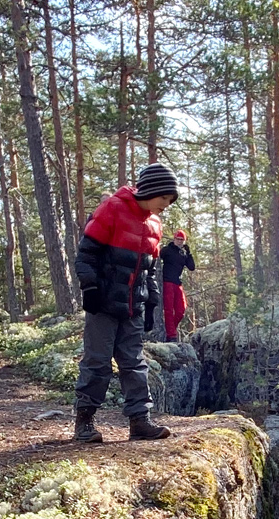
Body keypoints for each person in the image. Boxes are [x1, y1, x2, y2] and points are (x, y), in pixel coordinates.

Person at [72, 162, 178, 443]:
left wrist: (152, 302)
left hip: (133, 308)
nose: (166, 205)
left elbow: (149, 269)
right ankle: (85, 422)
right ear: (152, 190)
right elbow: (85, 255)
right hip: (103, 305)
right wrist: (90, 288)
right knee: (97, 362)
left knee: (134, 363)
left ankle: (139, 422)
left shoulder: (155, 224)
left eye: (169, 201)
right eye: (164, 199)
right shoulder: (112, 209)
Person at [160, 230, 195, 341]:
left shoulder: (183, 253)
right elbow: (155, 256)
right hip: (167, 282)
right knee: (169, 309)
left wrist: (189, 253)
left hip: (177, 283)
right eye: (178, 239)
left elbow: (192, 267)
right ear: (174, 239)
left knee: (181, 310)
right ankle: (171, 335)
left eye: (182, 240)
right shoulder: (166, 250)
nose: (179, 242)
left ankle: (171, 330)